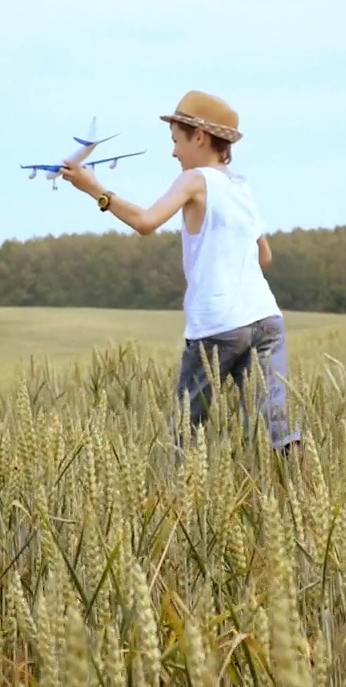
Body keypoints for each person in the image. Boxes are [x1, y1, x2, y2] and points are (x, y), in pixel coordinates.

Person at [58, 89, 301, 455]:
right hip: (266, 318)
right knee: (278, 429)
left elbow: (145, 222)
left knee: (186, 436)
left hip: (217, 323)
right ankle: (302, 493)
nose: (173, 152)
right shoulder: (240, 187)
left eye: (176, 141)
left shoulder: (194, 180)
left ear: (200, 137)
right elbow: (263, 255)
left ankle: (179, 506)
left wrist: (95, 190)